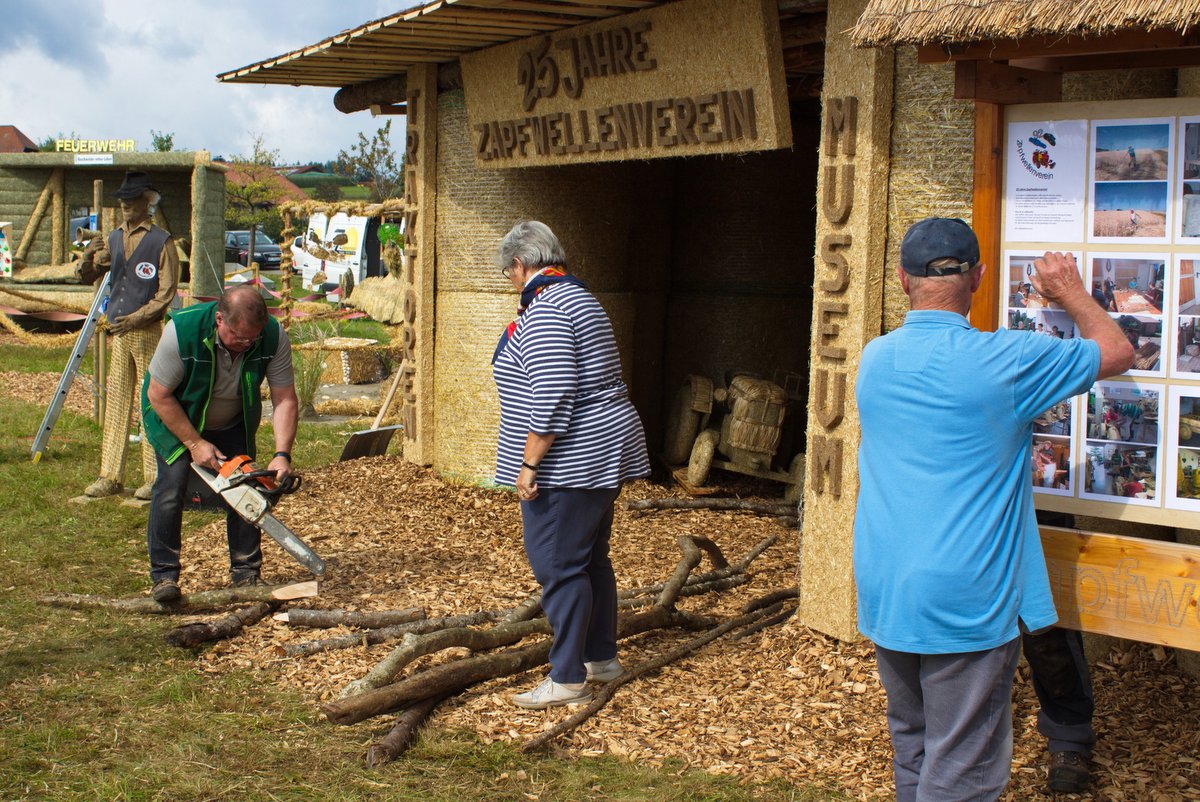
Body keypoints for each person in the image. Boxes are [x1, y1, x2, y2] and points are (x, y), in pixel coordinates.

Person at [854, 217, 1133, 800]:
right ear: (979, 277)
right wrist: (1070, 292)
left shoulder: (875, 360)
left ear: (903, 281)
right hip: (967, 598)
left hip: (888, 587)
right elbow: (1116, 351)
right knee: (963, 771)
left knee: (915, 749)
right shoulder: (1006, 361)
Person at [490, 220, 649, 710]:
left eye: (509, 275)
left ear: (520, 265)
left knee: (558, 564)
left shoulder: (550, 309)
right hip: (599, 453)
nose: (512, 284)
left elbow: (555, 389)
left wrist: (530, 462)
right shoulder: (579, 297)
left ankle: (566, 677)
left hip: (573, 461)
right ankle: (600, 658)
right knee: (589, 559)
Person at [140, 286, 298, 602]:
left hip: (232, 421)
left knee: (247, 487)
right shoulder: (181, 331)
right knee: (171, 487)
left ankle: (246, 574)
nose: (246, 345)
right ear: (219, 318)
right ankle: (164, 577)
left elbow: (284, 398)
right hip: (177, 417)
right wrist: (194, 442)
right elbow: (158, 394)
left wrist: (282, 454)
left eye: (251, 339)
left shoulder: (272, 335)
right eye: (238, 338)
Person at [76, 171, 179, 500]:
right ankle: (110, 476)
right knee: (117, 403)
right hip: (119, 333)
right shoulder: (113, 238)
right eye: (121, 198)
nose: (123, 203)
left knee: (152, 401)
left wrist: (136, 318)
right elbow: (87, 275)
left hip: (148, 332)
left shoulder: (162, 241)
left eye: (131, 197)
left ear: (147, 201)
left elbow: (166, 294)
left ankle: (153, 477)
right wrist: (89, 257)